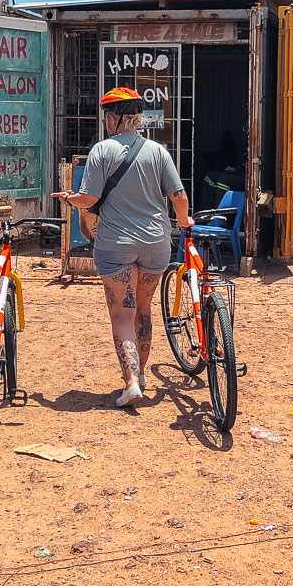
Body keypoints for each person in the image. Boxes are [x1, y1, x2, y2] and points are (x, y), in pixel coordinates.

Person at [54, 88, 192, 408]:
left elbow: (88, 200)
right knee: (143, 310)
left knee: (121, 315)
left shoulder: (102, 151)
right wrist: (184, 223)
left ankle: (130, 383)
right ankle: (141, 374)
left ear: (114, 118)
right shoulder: (157, 152)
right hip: (156, 243)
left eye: (107, 118)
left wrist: (69, 199)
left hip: (116, 244)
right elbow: (180, 198)